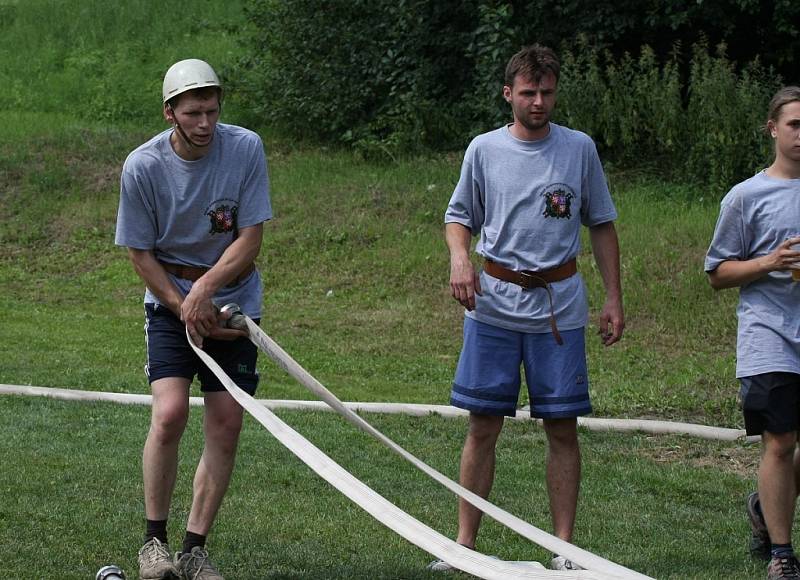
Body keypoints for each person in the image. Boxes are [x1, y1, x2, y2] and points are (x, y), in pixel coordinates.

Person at [429, 45, 624, 572]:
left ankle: (563, 549)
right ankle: (463, 546)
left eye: (547, 92)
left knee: (561, 428)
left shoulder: (579, 149)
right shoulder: (484, 150)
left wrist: (612, 298)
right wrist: (459, 260)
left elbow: (601, 223)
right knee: (483, 423)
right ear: (508, 94)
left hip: (558, 311)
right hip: (493, 306)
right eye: (529, 92)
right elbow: (458, 216)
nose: (539, 102)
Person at [115, 58, 272, 580]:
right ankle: (153, 545)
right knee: (169, 413)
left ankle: (195, 549)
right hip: (167, 300)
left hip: (232, 298)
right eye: (193, 113)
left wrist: (206, 293)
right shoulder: (142, 166)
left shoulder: (245, 147)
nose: (205, 123)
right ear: (170, 114)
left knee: (226, 422)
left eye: (212, 110)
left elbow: (249, 238)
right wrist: (183, 306)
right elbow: (139, 252)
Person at [705, 86, 800, 580]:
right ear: (772, 128)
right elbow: (718, 273)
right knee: (780, 442)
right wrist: (771, 262)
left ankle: (765, 507)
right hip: (768, 334)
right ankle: (782, 554)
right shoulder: (746, 196)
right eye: (795, 125)